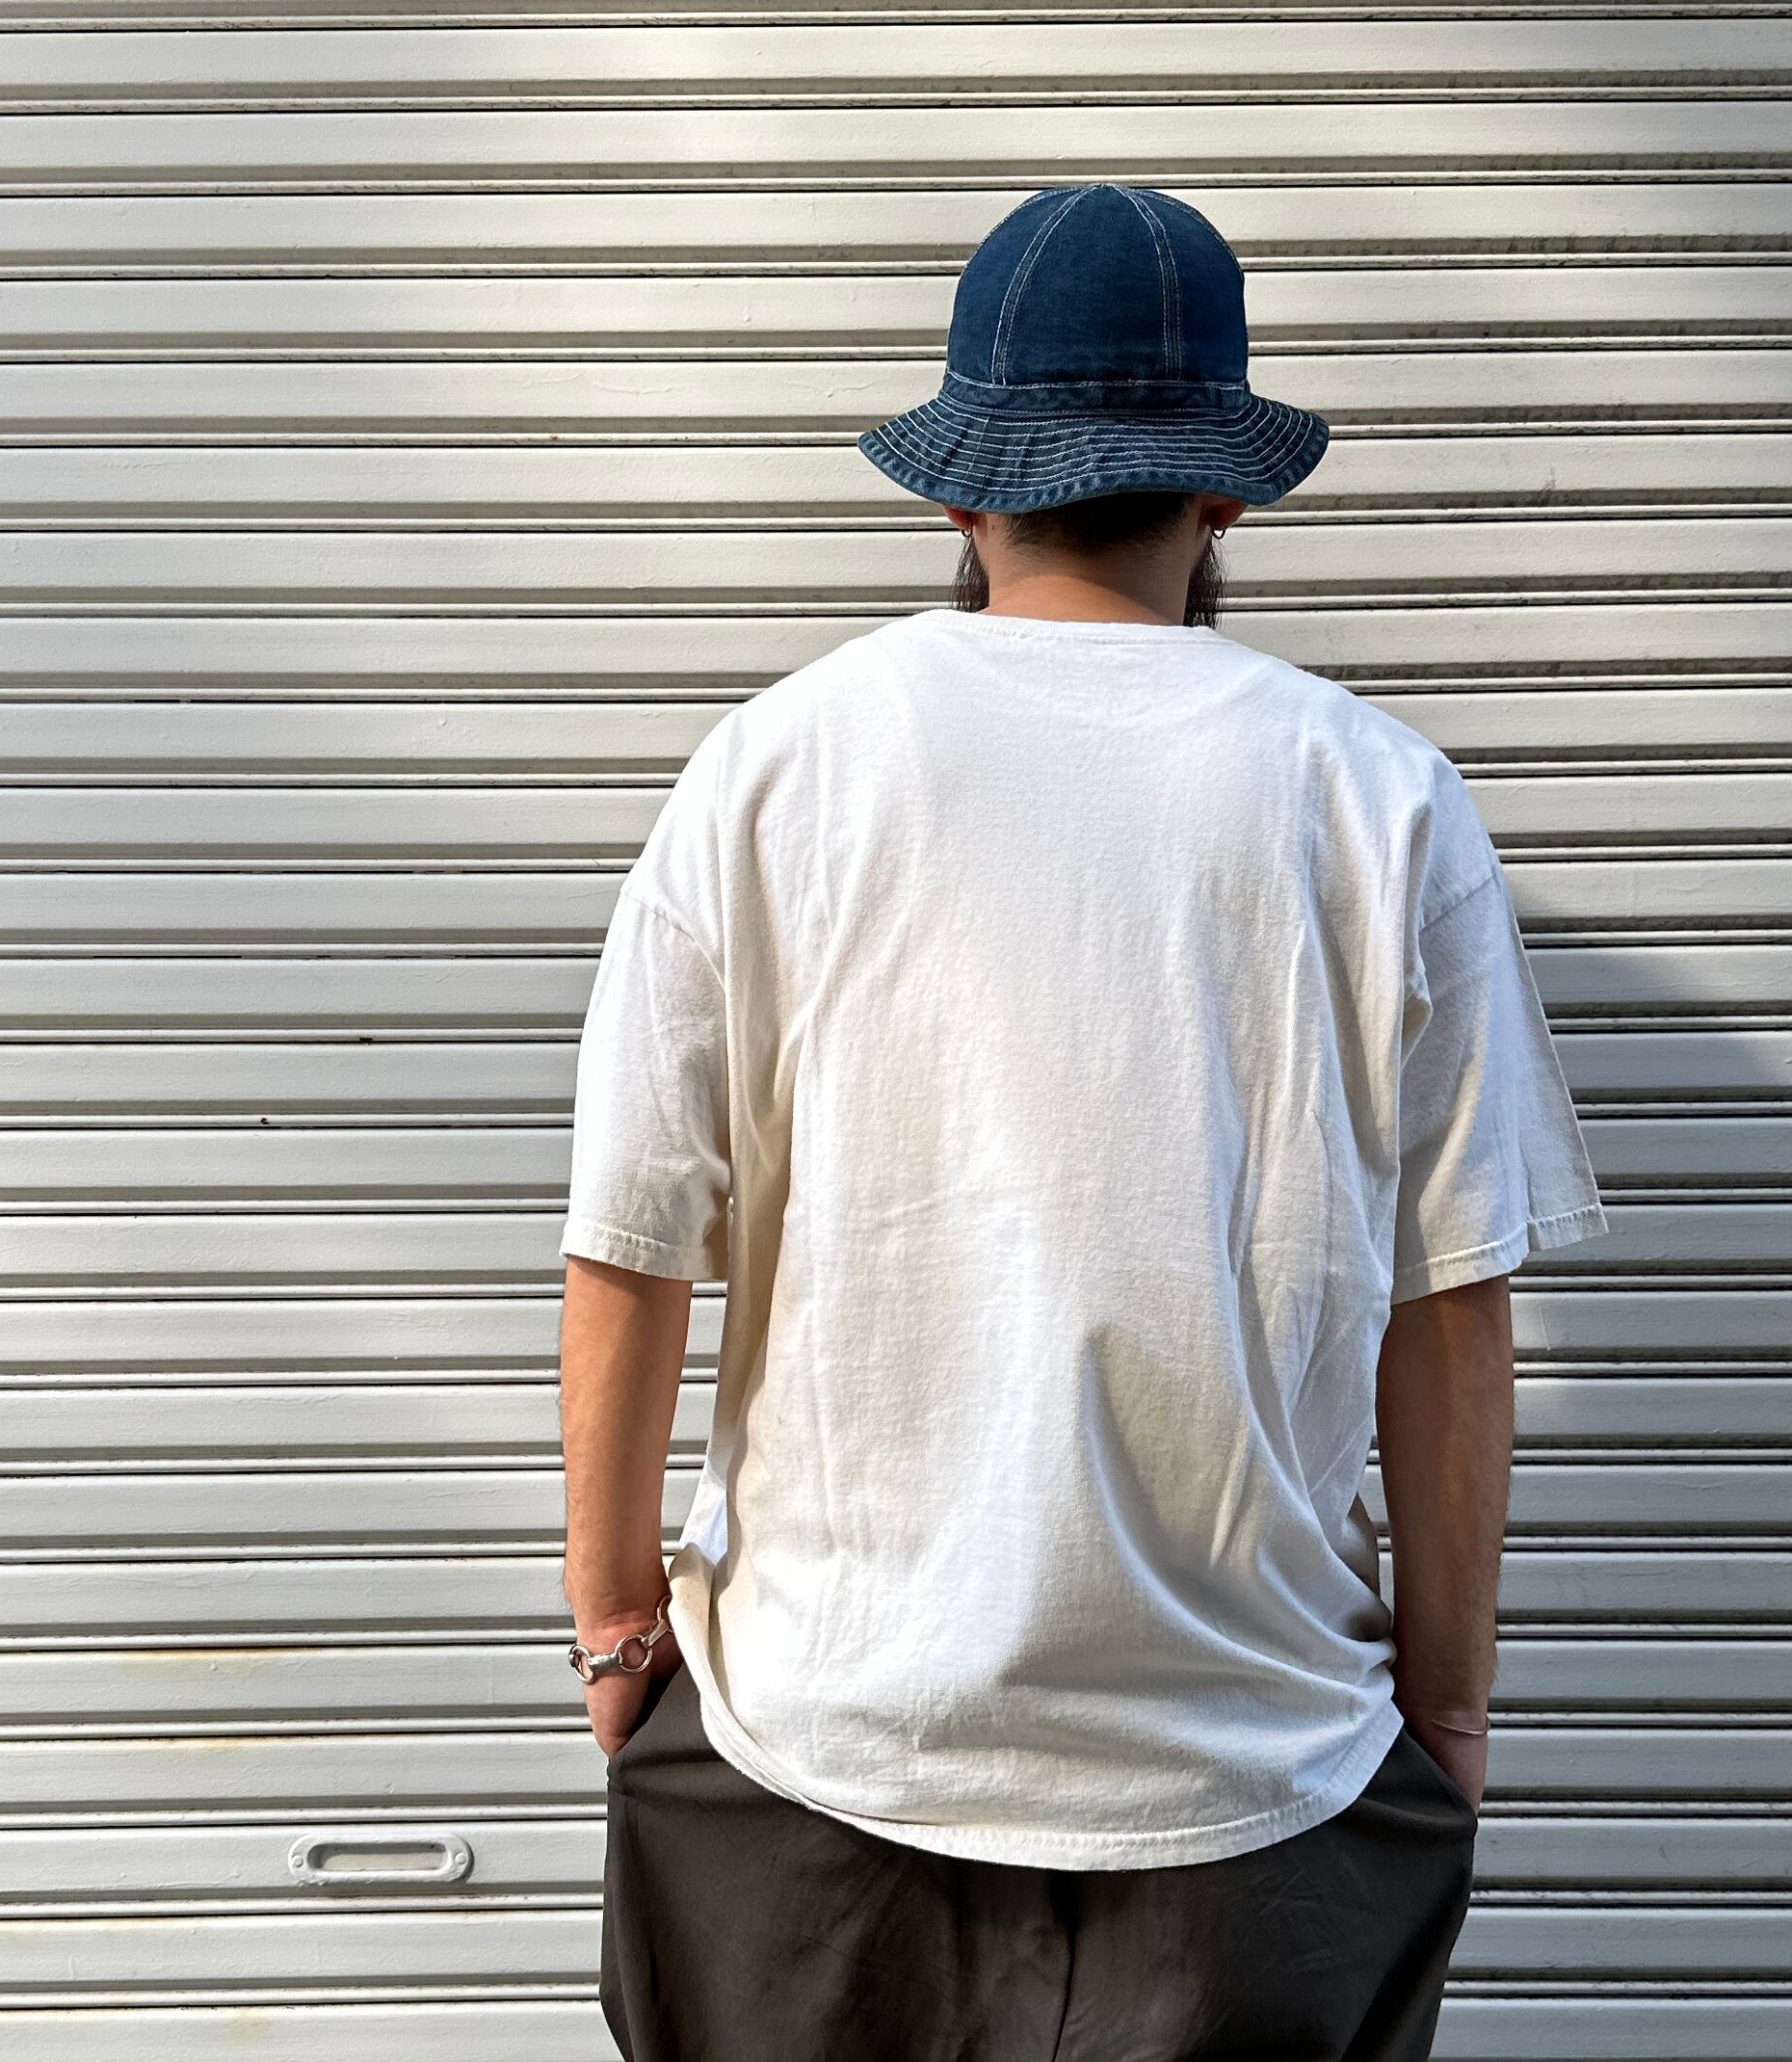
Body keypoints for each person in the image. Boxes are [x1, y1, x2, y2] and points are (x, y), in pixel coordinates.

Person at [556, 183, 1609, 2062]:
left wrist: (617, 1635)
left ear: (961, 496)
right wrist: (1447, 1711)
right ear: (1223, 496)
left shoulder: (773, 769)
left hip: (815, 1759)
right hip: (1256, 1784)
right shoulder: (1380, 802)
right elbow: (1450, 1313)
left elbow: (627, 1256)